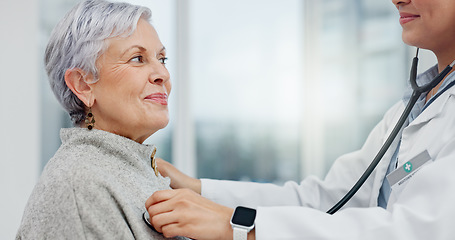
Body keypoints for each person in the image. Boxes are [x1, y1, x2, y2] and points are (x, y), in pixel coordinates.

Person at [145, 0, 455, 239]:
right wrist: (199, 190)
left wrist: (240, 227)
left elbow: (416, 231)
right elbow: (329, 199)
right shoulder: (416, 105)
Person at [16, 0, 186, 239]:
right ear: (83, 84)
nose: (163, 74)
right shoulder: (79, 186)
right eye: (137, 58)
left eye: (162, 59)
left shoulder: (127, 172)